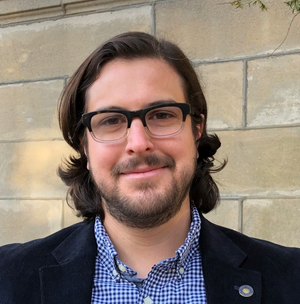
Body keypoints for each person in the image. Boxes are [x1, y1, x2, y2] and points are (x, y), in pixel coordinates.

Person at [0, 32, 299, 304]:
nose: (139, 142)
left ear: (197, 130)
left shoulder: (290, 279)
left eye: (162, 115)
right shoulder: (8, 279)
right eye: (111, 120)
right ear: (84, 148)